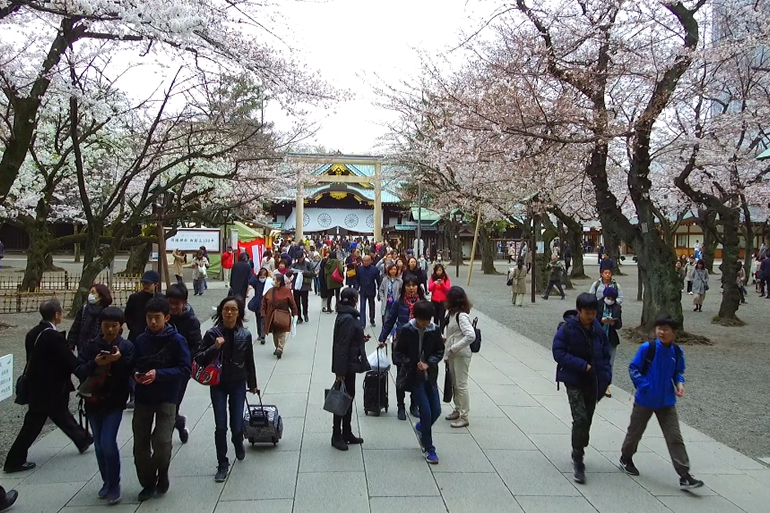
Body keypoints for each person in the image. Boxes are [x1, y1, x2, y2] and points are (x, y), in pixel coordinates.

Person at [4, 300, 94, 474]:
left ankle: (82, 439)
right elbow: (69, 361)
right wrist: (86, 372)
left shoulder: (32, 333)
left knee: (59, 414)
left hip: (37, 385)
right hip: (50, 387)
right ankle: (14, 460)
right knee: (34, 423)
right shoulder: (52, 337)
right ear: (57, 314)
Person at [619, 314, 704, 489]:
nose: (662, 332)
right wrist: (645, 385)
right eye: (659, 328)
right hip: (645, 398)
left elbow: (678, 372)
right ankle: (626, 457)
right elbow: (634, 368)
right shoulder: (647, 348)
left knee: (675, 437)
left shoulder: (677, 352)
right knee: (635, 432)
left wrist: (680, 384)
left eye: (666, 329)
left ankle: (684, 474)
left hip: (666, 400)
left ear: (674, 333)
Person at [132, 297, 191, 502]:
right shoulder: (140, 340)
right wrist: (136, 376)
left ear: (166, 318)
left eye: (157, 318)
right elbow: (132, 364)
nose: (153, 322)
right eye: (149, 318)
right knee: (140, 443)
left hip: (167, 396)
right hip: (143, 397)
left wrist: (159, 374)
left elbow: (185, 368)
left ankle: (162, 470)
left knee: (162, 441)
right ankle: (147, 482)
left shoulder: (177, 340)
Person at [74, 306, 134, 505]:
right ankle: (106, 481)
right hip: (93, 401)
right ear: (100, 325)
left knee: (108, 443)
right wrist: (94, 363)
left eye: (114, 326)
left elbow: (132, 371)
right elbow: (79, 370)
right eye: (106, 326)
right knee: (99, 446)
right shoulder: (90, 346)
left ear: (120, 327)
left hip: (115, 402)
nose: (110, 330)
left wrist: (120, 360)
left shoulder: (125, 346)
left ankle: (114, 483)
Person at [194, 297, 258, 482]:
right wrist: (215, 348)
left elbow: (249, 361)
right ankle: (222, 463)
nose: (229, 313)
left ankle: (238, 441)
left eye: (233, 309)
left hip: (238, 383)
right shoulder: (212, 334)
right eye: (226, 309)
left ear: (239, 313)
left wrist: (252, 384)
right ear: (221, 312)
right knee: (220, 425)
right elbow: (199, 358)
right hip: (218, 384)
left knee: (237, 424)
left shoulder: (244, 335)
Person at [552, 293, 612, 484]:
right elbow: (558, 352)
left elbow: (604, 353)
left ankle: (580, 443)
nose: (590, 316)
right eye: (587, 312)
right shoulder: (567, 328)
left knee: (587, 419)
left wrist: (606, 376)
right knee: (580, 418)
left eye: (593, 312)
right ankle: (578, 457)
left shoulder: (597, 329)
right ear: (579, 310)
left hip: (592, 380)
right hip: (574, 378)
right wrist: (581, 365)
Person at [393, 300, 445, 464]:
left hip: (430, 376)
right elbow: (398, 352)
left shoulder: (434, 329)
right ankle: (429, 448)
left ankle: (421, 428)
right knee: (426, 412)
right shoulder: (407, 330)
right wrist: (410, 362)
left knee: (436, 410)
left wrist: (428, 363)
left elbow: (439, 350)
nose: (425, 324)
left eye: (428, 320)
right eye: (423, 320)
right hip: (414, 377)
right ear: (416, 318)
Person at [378, 275, 425, 420]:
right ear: (404, 287)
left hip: (419, 344)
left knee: (418, 377)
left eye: (414, 285)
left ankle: (414, 405)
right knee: (401, 376)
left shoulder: (422, 303)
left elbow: (429, 323)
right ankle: (400, 406)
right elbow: (390, 321)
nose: (411, 288)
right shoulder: (399, 302)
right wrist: (382, 338)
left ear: (418, 286)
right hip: (401, 344)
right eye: (408, 285)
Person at [331, 288, 369, 451]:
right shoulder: (347, 318)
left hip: (349, 364)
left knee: (348, 397)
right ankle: (337, 434)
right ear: (353, 299)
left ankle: (347, 431)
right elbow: (342, 346)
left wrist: (360, 338)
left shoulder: (347, 315)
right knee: (342, 399)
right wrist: (340, 372)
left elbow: (349, 339)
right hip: (345, 366)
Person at [167, 284, 202, 444]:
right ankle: (177, 422)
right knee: (163, 405)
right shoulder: (163, 316)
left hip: (181, 370)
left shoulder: (191, 321)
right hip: (162, 367)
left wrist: (187, 363)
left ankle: (173, 428)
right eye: (170, 302)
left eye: (177, 303)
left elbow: (197, 345)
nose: (173, 306)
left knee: (171, 404)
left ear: (185, 302)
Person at [443, 287, 476, 428]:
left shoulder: (461, 316)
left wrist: (454, 347)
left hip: (461, 354)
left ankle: (464, 415)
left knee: (461, 385)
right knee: (455, 383)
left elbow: (471, 335)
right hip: (453, 353)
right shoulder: (451, 313)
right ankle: (457, 409)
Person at [68, 283, 113, 353]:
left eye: (93, 292)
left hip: (99, 348)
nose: (90, 295)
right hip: (82, 347)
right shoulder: (84, 309)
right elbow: (75, 328)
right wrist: (71, 345)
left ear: (100, 296)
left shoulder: (107, 312)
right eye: (90, 293)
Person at [261, 271, 298, 359]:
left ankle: (280, 348)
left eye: (275, 280)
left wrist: (295, 314)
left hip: (283, 315)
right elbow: (264, 303)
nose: (273, 281)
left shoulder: (287, 291)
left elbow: (292, 304)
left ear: (279, 281)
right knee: (275, 333)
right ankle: (277, 346)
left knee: (282, 332)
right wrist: (263, 313)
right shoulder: (270, 291)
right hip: (272, 316)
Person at [124, 271, 163, 343]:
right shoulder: (135, 297)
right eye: (144, 283)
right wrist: (134, 328)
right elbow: (128, 315)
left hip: (156, 333)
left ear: (156, 284)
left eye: (148, 284)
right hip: (137, 334)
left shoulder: (161, 298)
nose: (145, 286)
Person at [599, 287, 622, 398]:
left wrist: (613, 322)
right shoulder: (598, 304)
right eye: (608, 298)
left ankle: (606, 385)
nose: (610, 300)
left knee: (609, 363)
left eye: (612, 298)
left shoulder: (617, 307)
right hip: (598, 337)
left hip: (611, 339)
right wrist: (601, 320)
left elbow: (619, 324)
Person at [248, 268, 273, 343]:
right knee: (258, 319)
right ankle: (260, 334)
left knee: (263, 319)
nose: (262, 278)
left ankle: (263, 335)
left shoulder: (268, 282)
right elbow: (250, 281)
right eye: (261, 277)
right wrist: (255, 275)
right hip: (257, 302)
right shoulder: (256, 281)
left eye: (263, 277)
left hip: (265, 302)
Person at [356, 254, 381, 328]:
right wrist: (356, 289)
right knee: (362, 307)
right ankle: (362, 323)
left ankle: (372, 319)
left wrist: (379, 288)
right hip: (363, 290)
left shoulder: (374, 269)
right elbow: (357, 280)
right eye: (365, 261)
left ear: (371, 261)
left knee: (372, 306)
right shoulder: (359, 269)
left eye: (368, 261)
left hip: (371, 290)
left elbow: (378, 280)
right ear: (363, 261)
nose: (366, 262)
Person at [291, 252, 314, 324]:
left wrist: (305, 272)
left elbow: (312, 273)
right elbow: (288, 272)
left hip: (304, 285)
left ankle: (305, 313)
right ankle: (299, 316)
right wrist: (291, 271)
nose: (299, 260)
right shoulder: (294, 265)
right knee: (296, 302)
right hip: (296, 286)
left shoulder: (308, 264)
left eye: (300, 258)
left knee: (305, 301)